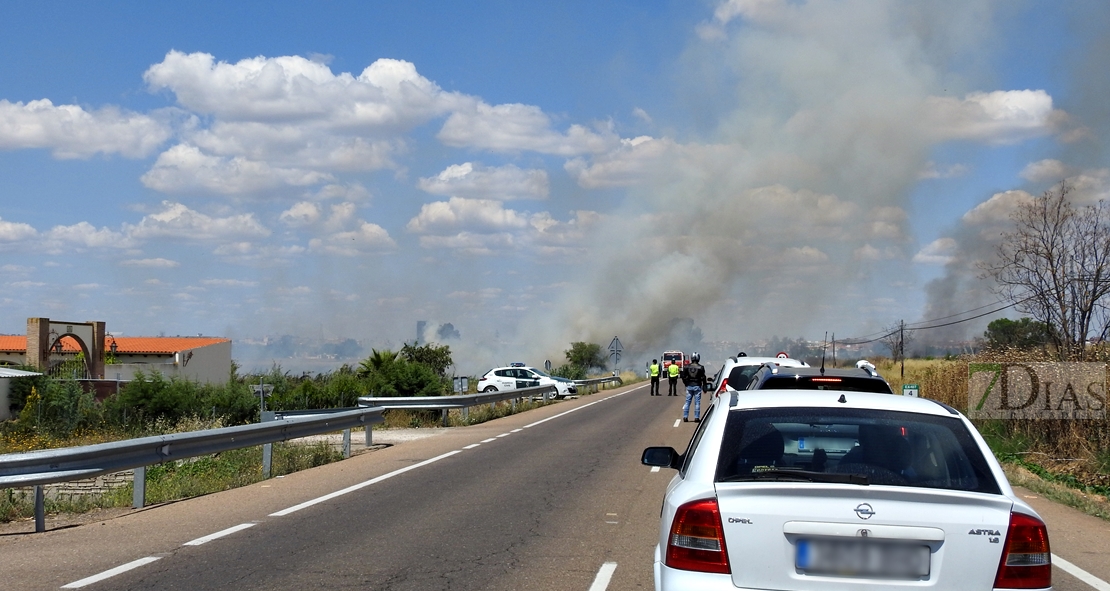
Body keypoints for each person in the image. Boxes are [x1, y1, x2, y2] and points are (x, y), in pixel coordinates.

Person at [681, 352, 707, 422]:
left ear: (691, 358)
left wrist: (686, 383)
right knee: (697, 402)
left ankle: (685, 416)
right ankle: (696, 417)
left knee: (687, 402)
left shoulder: (686, 367)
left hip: (689, 386)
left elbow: (683, 376)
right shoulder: (701, 367)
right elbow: (703, 377)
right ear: (698, 358)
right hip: (697, 386)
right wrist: (705, 387)